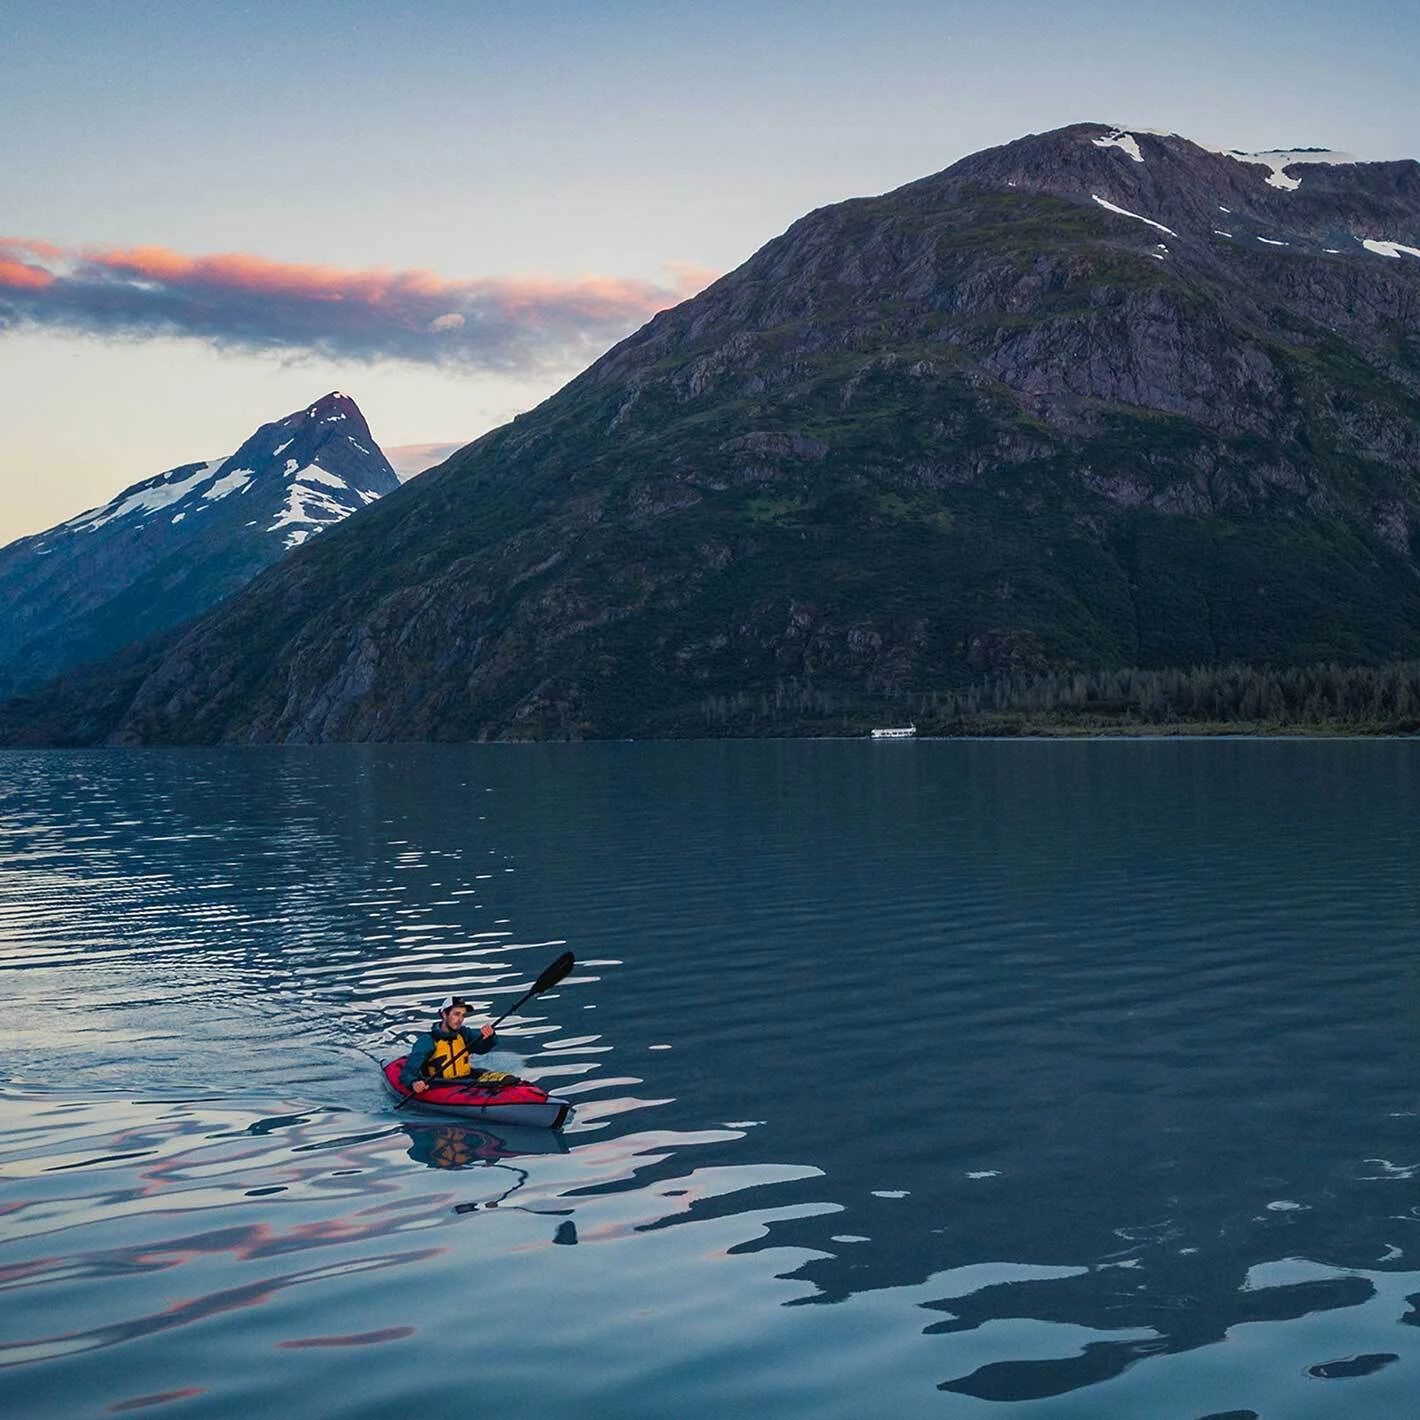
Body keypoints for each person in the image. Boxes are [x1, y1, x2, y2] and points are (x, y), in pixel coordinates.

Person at [399, 995, 498, 1093]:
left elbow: (483, 1048)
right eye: (456, 1014)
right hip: (440, 1086)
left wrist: (490, 1036)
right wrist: (414, 1082)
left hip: (466, 1081)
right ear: (444, 1015)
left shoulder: (465, 1034)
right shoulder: (427, 1041)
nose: (460, 1019)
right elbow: (408, 1072)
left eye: (463, 1015)